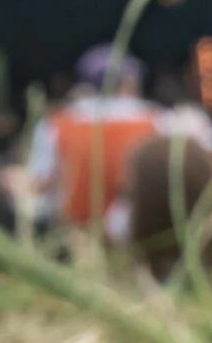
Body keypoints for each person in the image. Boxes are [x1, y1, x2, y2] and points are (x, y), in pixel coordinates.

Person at [27, 46, 163, 236]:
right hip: (138, 235)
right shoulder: (157, 121)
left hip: (74, 234)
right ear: (127, 82)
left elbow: (39, 184)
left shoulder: (55, 124)